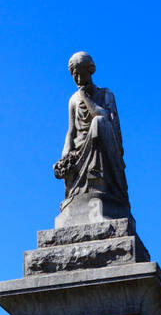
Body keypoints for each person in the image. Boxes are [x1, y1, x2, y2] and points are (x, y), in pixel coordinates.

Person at [54, 52, 130, 220]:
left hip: (102, 144)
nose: (78, 77)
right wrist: (64, 155)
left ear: (90, 70)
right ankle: (77, 192)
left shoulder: (105, 94)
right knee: (70, 154)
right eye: (74, 74)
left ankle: (98, 178)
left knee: (99, 123)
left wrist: (85, 97)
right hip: (80, 151)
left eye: (81, 72)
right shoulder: (73, 100)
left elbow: (104, 116)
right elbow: (71, 131)